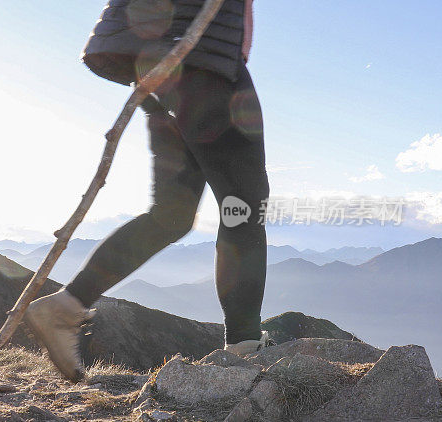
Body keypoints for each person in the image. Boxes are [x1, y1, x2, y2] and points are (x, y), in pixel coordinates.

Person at [24, 0, 271, 382]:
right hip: (200, 57)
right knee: (244, 206)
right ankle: (244, 346)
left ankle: (67, 306)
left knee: (172, 214)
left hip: (160, 58)